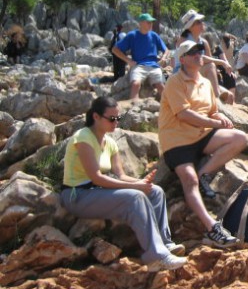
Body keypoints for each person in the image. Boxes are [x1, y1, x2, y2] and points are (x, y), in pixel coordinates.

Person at [60, 97, 187, 272]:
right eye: (111, 119)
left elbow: (121, 175)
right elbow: (96, 177)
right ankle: (156, 257)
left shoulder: (110, 142)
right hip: (78, 195)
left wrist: (141, 182)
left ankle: (165, 244)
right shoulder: (83, 137)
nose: (116, 123)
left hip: (97, 191)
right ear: (96, 117)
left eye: (118, 118)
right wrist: (136, 187)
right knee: (134, 197)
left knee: (155, 191)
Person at [159, 40, 247, 248]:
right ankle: (212, 228)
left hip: (201, 136)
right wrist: (214, 122)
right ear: (182, 60)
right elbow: (184, 114)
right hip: (177, 140)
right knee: (188, 181)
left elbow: (211, 111)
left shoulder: (206, 83)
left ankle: (204, 174)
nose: (198, 54)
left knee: (240, 138)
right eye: (192, 52)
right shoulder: (175, 82)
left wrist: (221, 119)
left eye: (199, 51)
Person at [173, 10, 234, 105]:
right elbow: (199, 58)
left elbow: (207, 60)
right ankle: (217, 98)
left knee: (230, 95)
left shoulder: (203, 42)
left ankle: (219, 100)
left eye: (201, 21)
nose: (202, 23)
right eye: (198, 22)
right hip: (183, 71)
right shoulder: (184, 40)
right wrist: (223, 62)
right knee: (210, 66)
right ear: (190, 26)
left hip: (196, 71)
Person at [112, 13, 170, 100]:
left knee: (161, 86)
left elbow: (166, 50)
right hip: (138, 65)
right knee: (135, 84)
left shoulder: (154, 35)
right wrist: (128, 60)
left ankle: (169, 107)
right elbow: (115, 49)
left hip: (154, 65)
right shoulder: (132, 35)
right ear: (141, 23)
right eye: (148, 22)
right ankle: (132, 107)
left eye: (151, 22)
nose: (151, 24)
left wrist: (164, 58)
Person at [212, 33, 237, 101]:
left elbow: (224, 59)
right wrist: (230, 36)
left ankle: (231, 99)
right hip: (214, 68)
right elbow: (236, 40)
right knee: (218, 76)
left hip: (224, 66)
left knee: (230, 77)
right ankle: (222, 97)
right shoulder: (231, 45)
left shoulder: (219, 47)